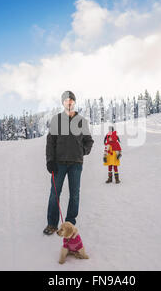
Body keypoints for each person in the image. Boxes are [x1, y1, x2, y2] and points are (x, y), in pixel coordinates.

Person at [43, 91, 94, 235]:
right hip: (59, 164)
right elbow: (50, 142)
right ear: (63, 103)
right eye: (66, 100)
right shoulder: (56, 120)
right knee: (55, 193)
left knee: (74, 194)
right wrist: (50, 161)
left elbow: (89, 141)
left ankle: (70, 224)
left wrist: (81, 151)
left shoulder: (81, 121)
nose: (69, 102)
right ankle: (52, 224)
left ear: (74, 102)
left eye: (71, 100)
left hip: (76, 164)